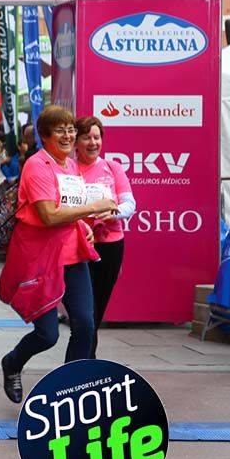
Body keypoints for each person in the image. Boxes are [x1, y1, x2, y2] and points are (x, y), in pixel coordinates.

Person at [0, 106, 117, 403]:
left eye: (70, 130)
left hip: (73, 256)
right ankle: (12, 362)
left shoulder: (70, 166)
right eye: (60, 130)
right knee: (48, 334)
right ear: (45, 135)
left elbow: (66, 206)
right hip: (41, 259)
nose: (67, 135)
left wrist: (81, 225)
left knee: (85, 325)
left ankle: (69, 392)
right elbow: (49, 215)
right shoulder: (37, 166)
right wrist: (94, 208)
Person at [75, 116, 136, 356]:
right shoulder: (68, 170)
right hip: (77, 246)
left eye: (96, 137)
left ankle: (87, 360)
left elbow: (130, 203)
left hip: (110, 246)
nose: (92, 142)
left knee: (96, 309)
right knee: (84, 311)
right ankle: (84, 361)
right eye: (86, 137)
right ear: (76, 142)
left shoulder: (113, 167)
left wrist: (112, 213)